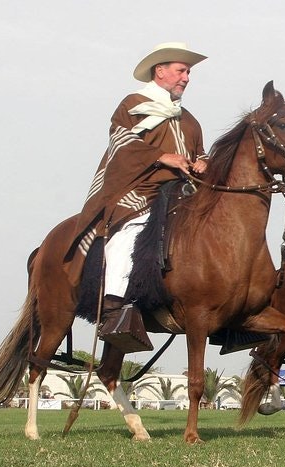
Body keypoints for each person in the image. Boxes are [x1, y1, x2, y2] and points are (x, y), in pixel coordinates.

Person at [64, 42, 209, 351]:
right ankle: (115, 306)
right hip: (140, 192)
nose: (186, 78)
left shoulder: (190, 120)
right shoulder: (133, 103)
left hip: (183, 195)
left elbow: (202, 153)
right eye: (182, 71)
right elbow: (121, 143)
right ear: (160, 71)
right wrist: (161, 157)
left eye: (188, 72)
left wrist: (203, 163)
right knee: (131, 230)